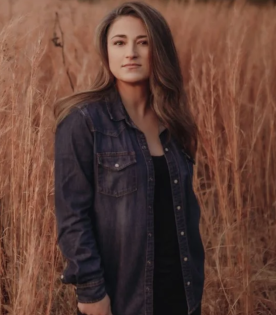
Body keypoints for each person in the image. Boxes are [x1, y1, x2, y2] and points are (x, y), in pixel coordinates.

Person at [53, 2, 205, 315]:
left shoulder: (174, 123)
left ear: (158, 49)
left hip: (182, 293)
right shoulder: (84, 123)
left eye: (143, 42)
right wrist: (91, 292)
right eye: (119, 42)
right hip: (123, 298)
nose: (130, 52)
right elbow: (72, 217)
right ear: (106, 52)